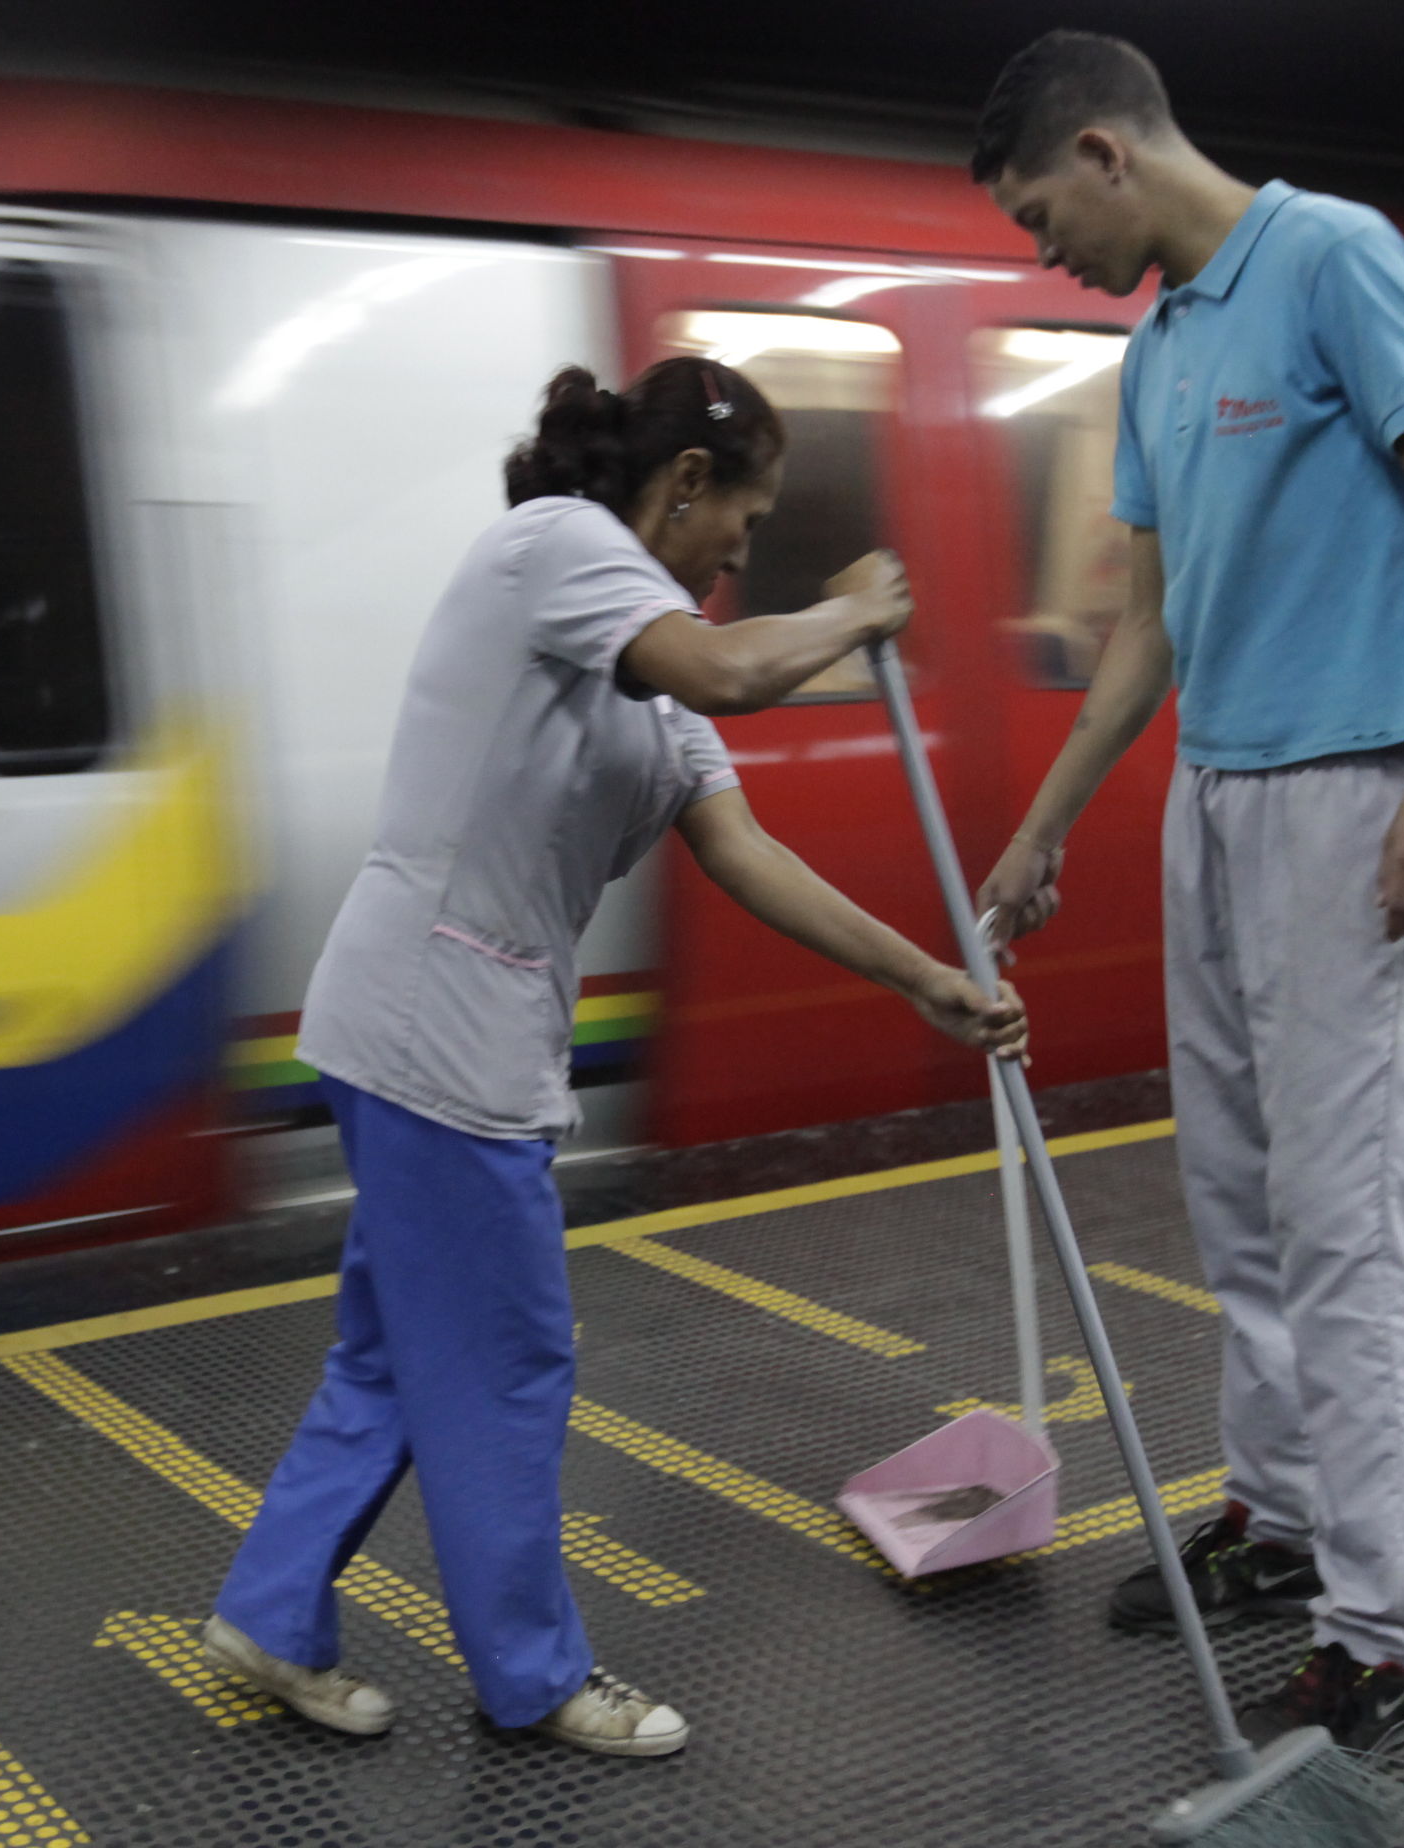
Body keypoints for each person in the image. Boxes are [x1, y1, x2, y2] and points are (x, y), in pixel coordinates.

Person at [203, 356, 1028, 1757]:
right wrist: (852, 608)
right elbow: (735, 662)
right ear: (686, 482)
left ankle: (273, 1615)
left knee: (399, 1349)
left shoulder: (647, 674)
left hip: (444, 1030)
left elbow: (742, 850)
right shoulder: (561, 551)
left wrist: (926, 980)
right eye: (744, 523)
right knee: (513, 1363)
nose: (739, 557)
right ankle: (534, 1680)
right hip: (435, 1036)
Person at [966, 32, 1404, 1754]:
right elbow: (1156, 623)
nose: (1041, 250)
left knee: (1342, 1217)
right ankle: (1275, 1527)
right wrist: (1048, 821)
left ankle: (1377, 1625)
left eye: (1040, 209)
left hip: (1356, 795)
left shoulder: (1335, 257)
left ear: (1107, 151)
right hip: (1212, 800)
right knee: (1237, 1196)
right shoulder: (1156, 353)